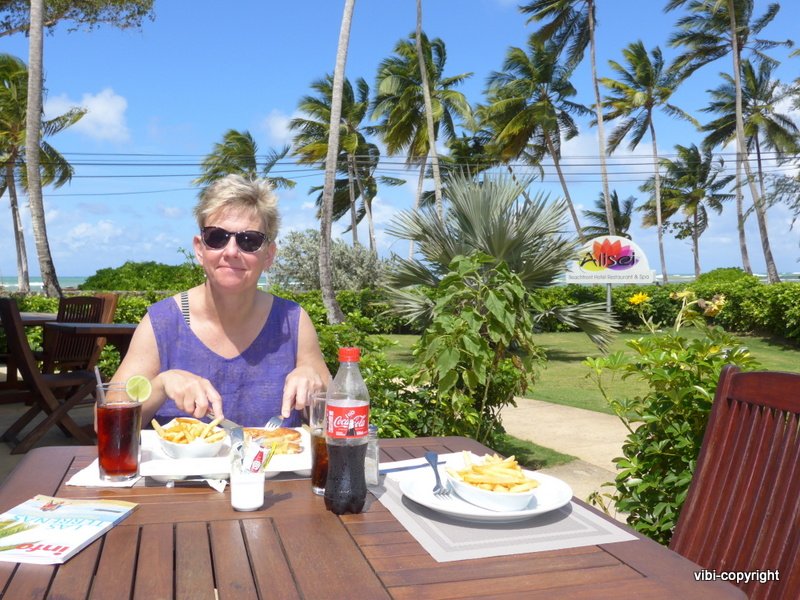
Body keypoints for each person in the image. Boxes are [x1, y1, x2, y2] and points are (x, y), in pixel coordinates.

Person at [110, 174, 329, 427]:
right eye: (217, 237)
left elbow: (340, 416)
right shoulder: (163, 322)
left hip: (278, 455)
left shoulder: (292, 321)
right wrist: (161, 385)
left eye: (249, 240)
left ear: (269, 255)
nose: (231, 251)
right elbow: (106, 420)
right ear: (200, 249)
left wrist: (316, 384)